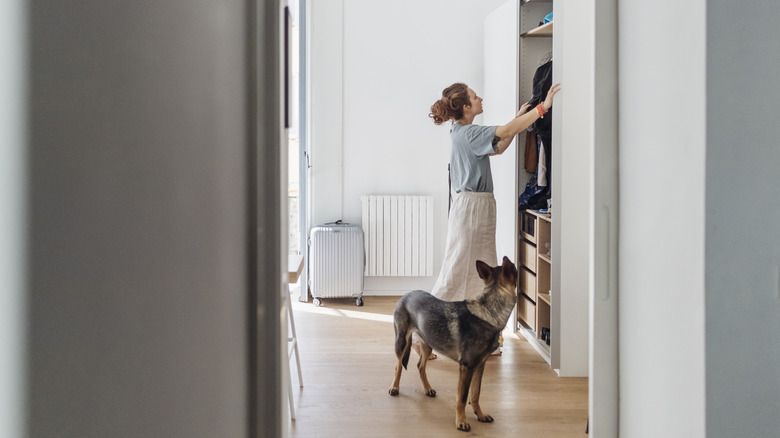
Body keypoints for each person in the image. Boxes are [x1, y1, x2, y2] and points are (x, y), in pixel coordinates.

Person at [414, 82, 561, 360]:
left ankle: (481, 338)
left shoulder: (461, 132)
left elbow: (500, 147)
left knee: (479, 276)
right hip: (473, 209)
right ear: (466, 107)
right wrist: (543, 108)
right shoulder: (468, 133)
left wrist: (519, 117)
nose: (480, 98)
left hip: (475, 208)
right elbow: (505, 131)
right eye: (474, 96)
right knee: (456, 272)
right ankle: (421, 333)